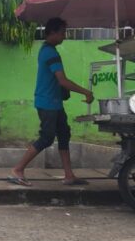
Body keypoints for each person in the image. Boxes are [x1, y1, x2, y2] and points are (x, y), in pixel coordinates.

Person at [9, 17, 93, 187]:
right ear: (53, 32)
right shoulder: (50, 53)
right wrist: (86, 92)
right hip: (48, 103)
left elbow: (57, 81)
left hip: (53, 102)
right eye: (62, 32)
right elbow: (62, 80)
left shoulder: (48, 50)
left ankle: (69, 175)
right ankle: (17, 169)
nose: (64, 36)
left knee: (64, 135)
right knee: (47, 138)